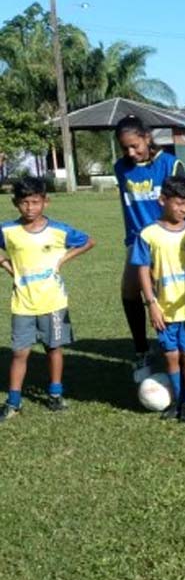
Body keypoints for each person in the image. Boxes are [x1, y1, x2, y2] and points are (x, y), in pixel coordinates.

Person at [114, 115, 185, 381]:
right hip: (138, 243)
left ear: (147, 138)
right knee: (130, 290)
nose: (131, 152)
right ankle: (141, 351)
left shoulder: (170, 164)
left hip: (171, 243)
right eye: (125, 147)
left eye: (135, 146)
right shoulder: (121, 168)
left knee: (178, 294)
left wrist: (184, 238)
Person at [0, 177, 95, 420]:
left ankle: (55, 395)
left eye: (34, 202)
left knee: (54, 348)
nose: (29, 208)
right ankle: (13, 401)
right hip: (22, 302)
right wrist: (8, 266)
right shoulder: (8, 231)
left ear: (45, 202)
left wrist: (62, 260)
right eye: (24, 203)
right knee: (20, 352)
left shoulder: (58, 231)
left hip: (54, 302)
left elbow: (88, 241)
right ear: (15, 203)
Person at [129, 176, 185, 423]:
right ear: (163, 200)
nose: (184, 209)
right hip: (163, 308)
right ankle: (177, 399)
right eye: (179, 203)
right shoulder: (148, 234)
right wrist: (151, 303)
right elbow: (142, 269)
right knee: (171, 356)